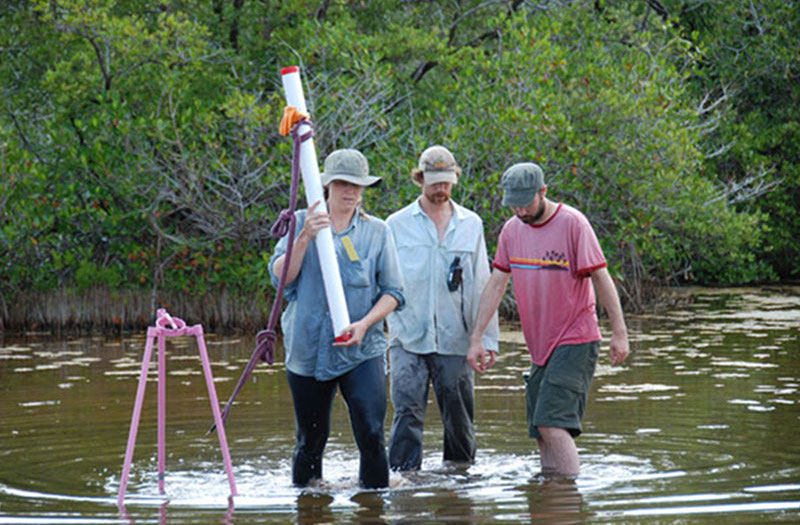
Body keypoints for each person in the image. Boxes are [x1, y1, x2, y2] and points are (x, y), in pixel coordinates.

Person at [467, 162, 629, 477]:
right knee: (539, 430)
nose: (519, 210)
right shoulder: (512, 230)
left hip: (576, 338)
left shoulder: (573, 224)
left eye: (525, 202)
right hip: (540, 345)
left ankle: (568, 500)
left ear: (543, 192)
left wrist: (619, 332)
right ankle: (549, 500)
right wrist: (477, 337)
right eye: (513, 203)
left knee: (552, 423)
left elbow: (601, 276)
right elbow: (497, 284)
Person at [269, 148, 405, 489]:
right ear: (326, 184)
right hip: (308, 350)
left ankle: (373, 507)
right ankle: (308, 507)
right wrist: (304, 239)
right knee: (310, 441)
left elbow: (394, 292)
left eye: (358, 185)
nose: (351, 192)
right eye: (343, 183)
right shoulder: (300, 221)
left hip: (362, 348)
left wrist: (364, 324)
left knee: (372, 434)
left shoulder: (378, 231)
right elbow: (279, 278)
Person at [386, 145, 499, 471]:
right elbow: (385, 284)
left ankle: (461, 488)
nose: (441, 188)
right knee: (406, 415)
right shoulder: (395, 224)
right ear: (420, 178)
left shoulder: (471, 224)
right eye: (434, 181)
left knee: (460, 420)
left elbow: (483, 284)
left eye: (447, 182)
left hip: (457, 338)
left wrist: (486, 340)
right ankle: (404, 486)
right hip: (407, 337)